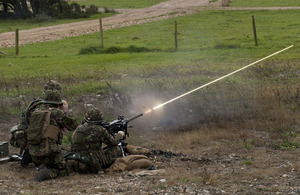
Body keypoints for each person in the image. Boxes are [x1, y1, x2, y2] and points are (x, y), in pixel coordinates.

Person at [26, 80, 78, 182]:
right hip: (48, 152)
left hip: (33, 153)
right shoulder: (57, 113)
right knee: (65, 170)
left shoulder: (36, 111)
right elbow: (73, 126)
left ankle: (42, 165)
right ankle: (48, 172)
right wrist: (66, 111)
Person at [66, 107, 125, 173]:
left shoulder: (79, 128)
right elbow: (113, 143)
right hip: (92, 163)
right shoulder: (100, 129)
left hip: (76, 161)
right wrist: (119, 135)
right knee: (116, 149)